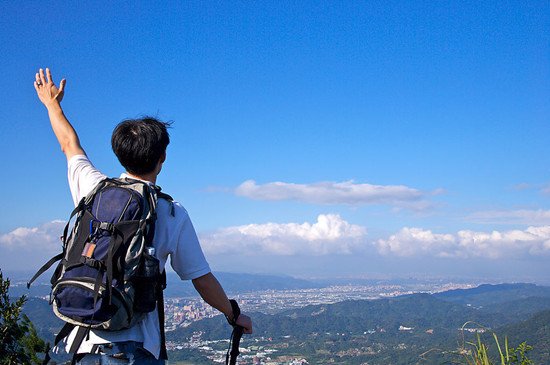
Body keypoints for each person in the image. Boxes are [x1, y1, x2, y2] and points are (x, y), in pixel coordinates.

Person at [33, 68, 252, 364]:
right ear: (162, 158)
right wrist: (233, 314)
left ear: (119, 153)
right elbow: (201, 279)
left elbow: (69, 144)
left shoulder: (93, 188)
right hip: (135, 348)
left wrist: (51, 104)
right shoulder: (170, 212)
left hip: (83, 342)